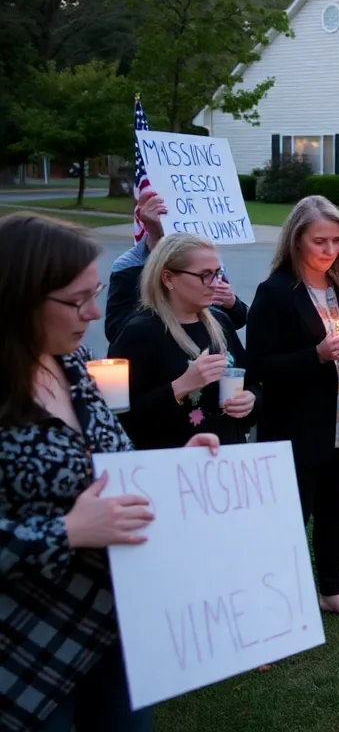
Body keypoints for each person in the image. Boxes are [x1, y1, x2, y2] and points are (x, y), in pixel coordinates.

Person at [0, 214, 218, 732]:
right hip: (30, 648)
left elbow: (112, 459)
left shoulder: (70, 361)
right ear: (17, 298)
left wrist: (172, 467)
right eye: (76, 301)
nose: (94, 313)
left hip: (115, 627)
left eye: (94, 293)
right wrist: (66, 532)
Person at [246, 196, 339, 628]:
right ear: (295, 240)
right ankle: (278, 604)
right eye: (319, 240)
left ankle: (331, 592)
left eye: (337, 241)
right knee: (290, 520)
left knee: (333, 513)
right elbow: (261, 366)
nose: (329, 250)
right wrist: (318, 354)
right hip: (297, 426)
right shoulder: (274, 294)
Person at [109, 234, 258, 450]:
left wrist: (250, 400)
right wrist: (182, 385)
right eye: (205, 275)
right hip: (173, 467)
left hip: (228, 460)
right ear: (168, 278)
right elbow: (125, 419)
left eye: (218, 273)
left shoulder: (221, 322)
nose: (216, 284)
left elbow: (251, 380)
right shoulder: (138, 333)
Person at [104, 190, 246, 343]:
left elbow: (233, 322)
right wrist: (175, 309)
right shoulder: (129, 265)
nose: (212, 282)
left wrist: (232, 304)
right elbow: (116, 331)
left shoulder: (208, 260)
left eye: (214, 274)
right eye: (204, 275)